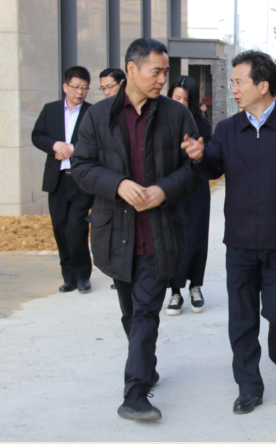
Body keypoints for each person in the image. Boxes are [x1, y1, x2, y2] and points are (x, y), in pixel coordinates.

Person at [181, 50, 276, 415]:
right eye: (232, 82)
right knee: (242, 320)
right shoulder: (228, 129)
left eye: (239, 82)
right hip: (241, 242)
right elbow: (213, 168)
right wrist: (199, 158)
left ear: (263, 86)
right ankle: (248, 385)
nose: (234, 89)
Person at [72, 38, 201, 421]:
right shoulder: (98, 116)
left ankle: (134, 394)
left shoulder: (178, 115)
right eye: (155, 71)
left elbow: (194, 170)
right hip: (116, 235)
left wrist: (164, 190)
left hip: (159, 234)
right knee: (131, 312)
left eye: (165, 72)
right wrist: (117, 184)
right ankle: (146, 366)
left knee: (146, 311)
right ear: (132, 69)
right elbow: (81, 167)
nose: (163, 79)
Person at [32, 66, 95, 294]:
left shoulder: (92, 112)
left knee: (76, 228)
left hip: (81, 180)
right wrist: (55, 145)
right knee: (60, 228)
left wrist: (73, 149)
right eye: (76, 87)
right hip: (57, 179)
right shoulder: (50, 110)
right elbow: (37, 136)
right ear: (65, 87)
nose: (80, 92)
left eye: (84, 88)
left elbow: (98, 143)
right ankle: (68, 277)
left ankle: (83, 276)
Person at [165, 75, 212, 315]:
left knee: (196, 237)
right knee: (173, 238)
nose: (181, 103)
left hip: (196, 188)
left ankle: (195, 286)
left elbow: (210, 157)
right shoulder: (160, 122)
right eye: (176, 98)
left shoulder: (201, 125)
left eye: (186, 99)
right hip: (170, 188)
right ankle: (175, 291)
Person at [99, 68, 128, 289]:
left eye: (110, 87)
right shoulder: (98, 114)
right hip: (111, 192)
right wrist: (116, 183)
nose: (107, 92)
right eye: (103, 88)